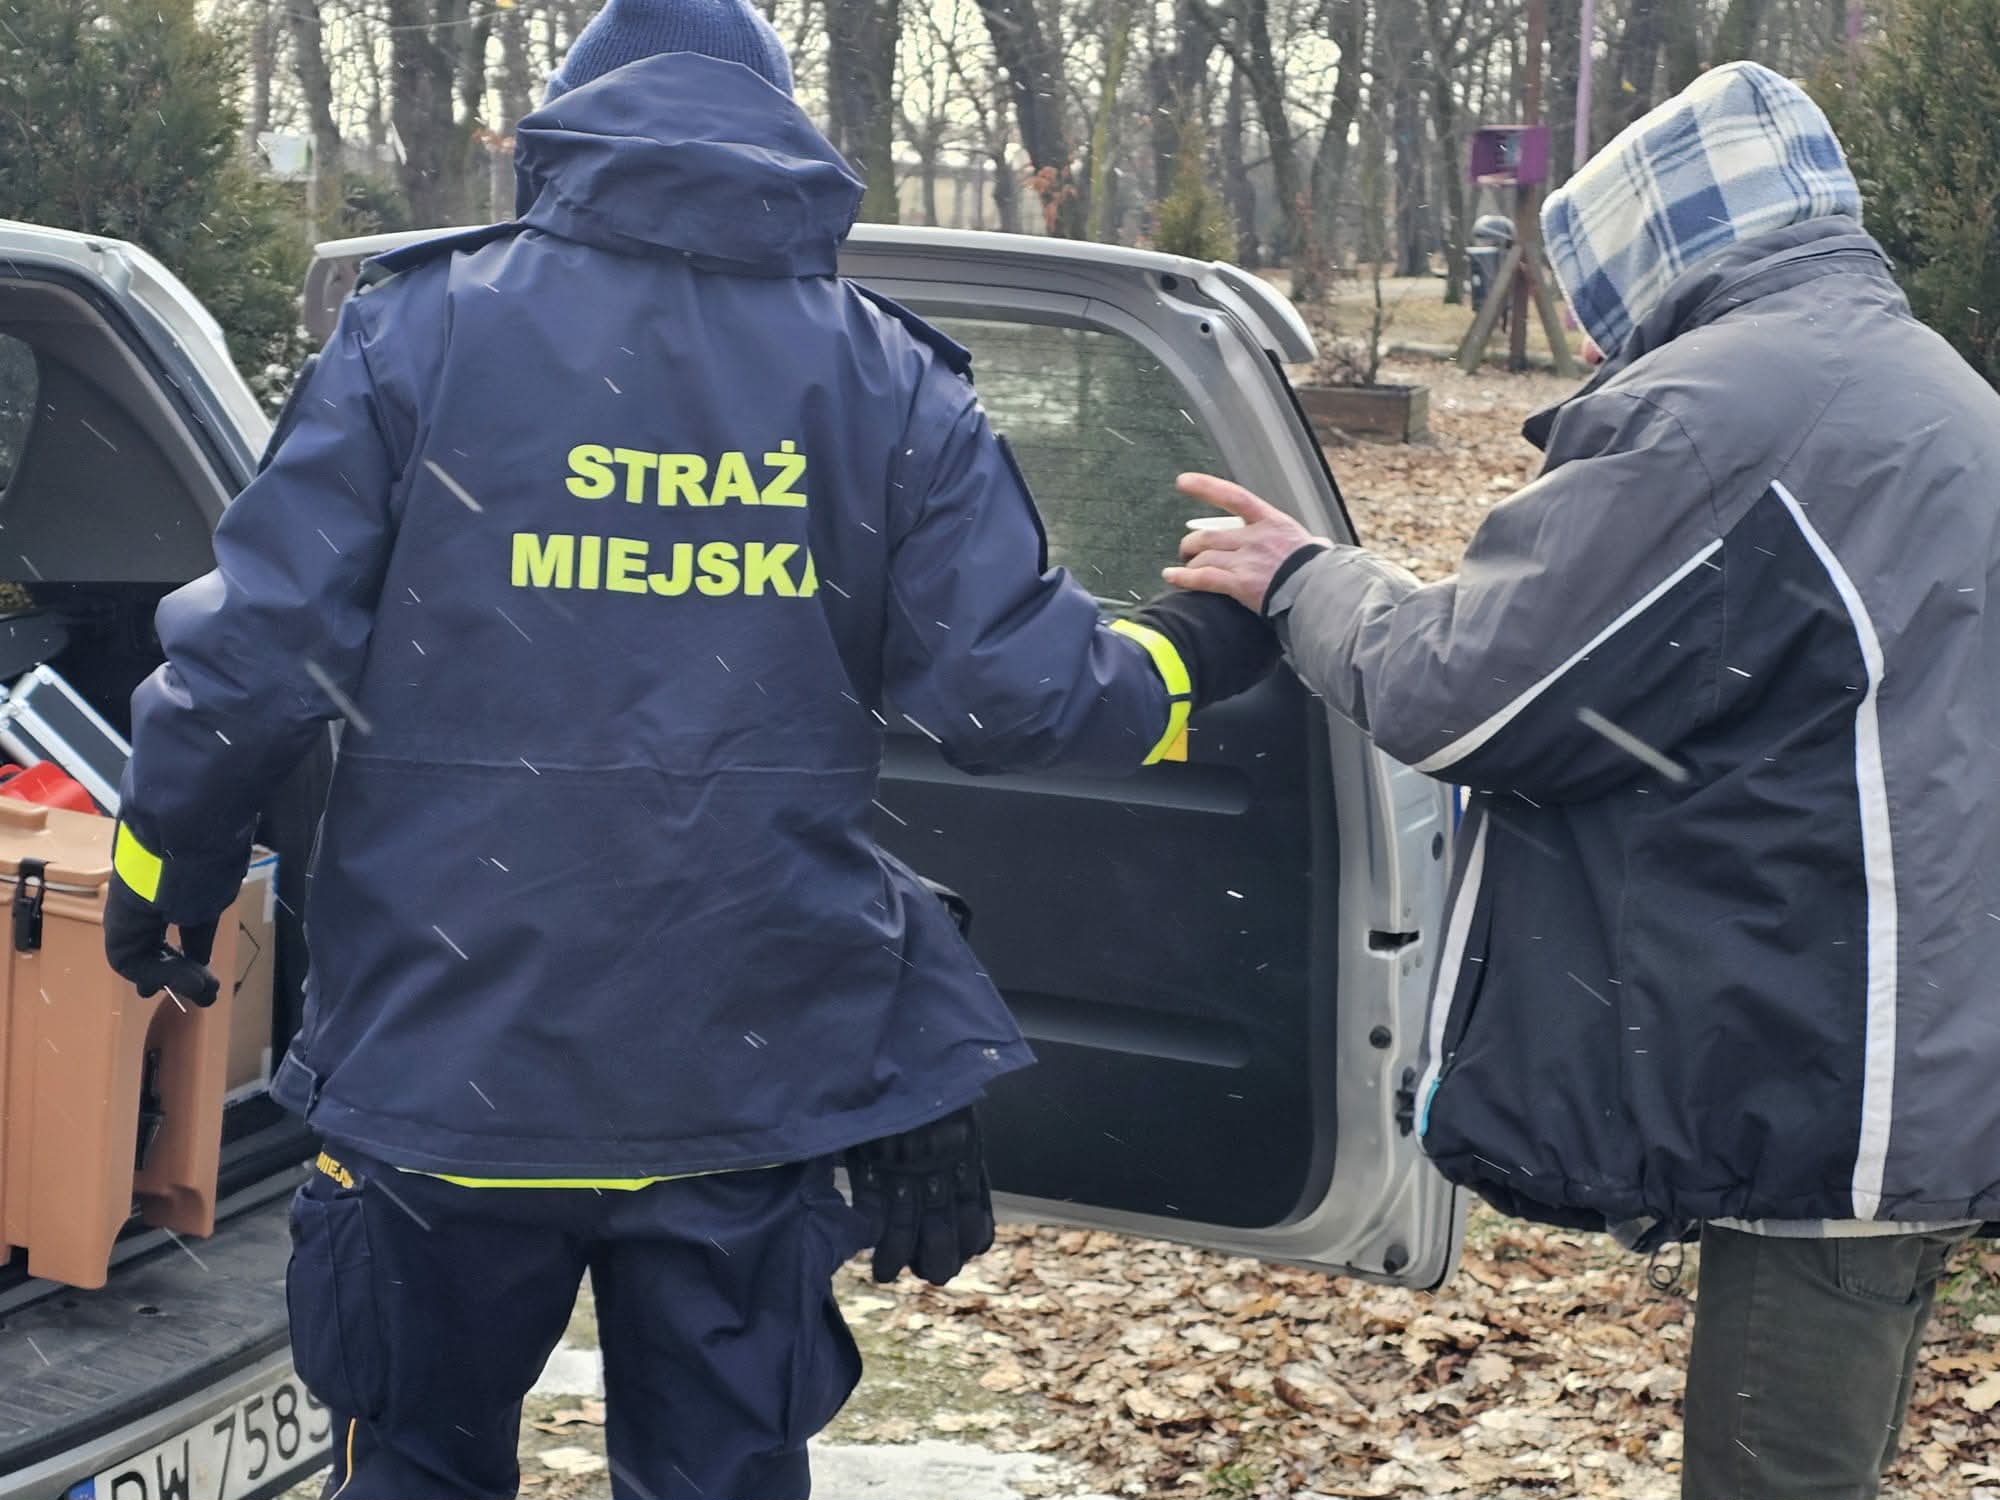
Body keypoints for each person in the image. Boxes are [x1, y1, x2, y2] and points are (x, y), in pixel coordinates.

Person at [97, 2, 1273, 1494]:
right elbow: (1017, 697)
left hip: (451, 1065)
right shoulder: (884, 375)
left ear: (572, 119)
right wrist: (1200, 646)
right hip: (737, 1084)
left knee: (416, 1469)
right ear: (773, 127)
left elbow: (249, 667)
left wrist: (168, 866)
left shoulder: (421, 328)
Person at [1166, 61, 1997, 1500]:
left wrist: (1303, 579)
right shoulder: (1925, 381)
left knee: (1776, 1476)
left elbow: (1469, 696)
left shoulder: (1723, 411)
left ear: (1647, 250)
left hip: (1833, 1062)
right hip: (1919, 1028)